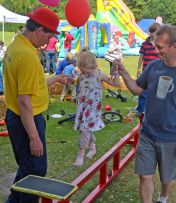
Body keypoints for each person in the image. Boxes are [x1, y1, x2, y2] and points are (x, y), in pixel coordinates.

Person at [113, 25, 176, 203]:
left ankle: (163, 198)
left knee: (166, 178)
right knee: (145, 176)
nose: (155, 50)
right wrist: (123, 73)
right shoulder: (153, 66)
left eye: (160, 47)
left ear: (175, 46)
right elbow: (137, 89)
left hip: (173, 137)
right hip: (148, 134)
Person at [3, 7, 69, 203]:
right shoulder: (28, 56)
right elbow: (24, 102)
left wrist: (56, 78)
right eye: (49, 36)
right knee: (35, 172)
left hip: (17, 117)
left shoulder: (16, 45)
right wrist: (34, 137)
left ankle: (13, 200)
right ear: (39, 30)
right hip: (27, 120)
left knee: (27, 166)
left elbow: (29, 86)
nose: (49, 41)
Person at [73, 48, 120, 166]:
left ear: (95, 66)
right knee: (86, 128)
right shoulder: (81, 74)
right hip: (82, 106)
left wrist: (116, 72)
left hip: (93, 108)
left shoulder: (99, 74)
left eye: (90, 71)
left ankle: (81, 153)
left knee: (84, 129)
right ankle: (92, 147)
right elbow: (77, 84)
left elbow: (116, 84)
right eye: (85, 71)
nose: (87, 73)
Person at [136, 23, 161, 116]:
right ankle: (140, 110)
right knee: (143, 91)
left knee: (156, 92)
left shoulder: (159, 45)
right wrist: (138, 69)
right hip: (146, 72)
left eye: (154, 32)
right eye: (150, 32)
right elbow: (141, 56)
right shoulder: (144, 44)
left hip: (157, 72)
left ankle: (154, 110)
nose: (151, 34)